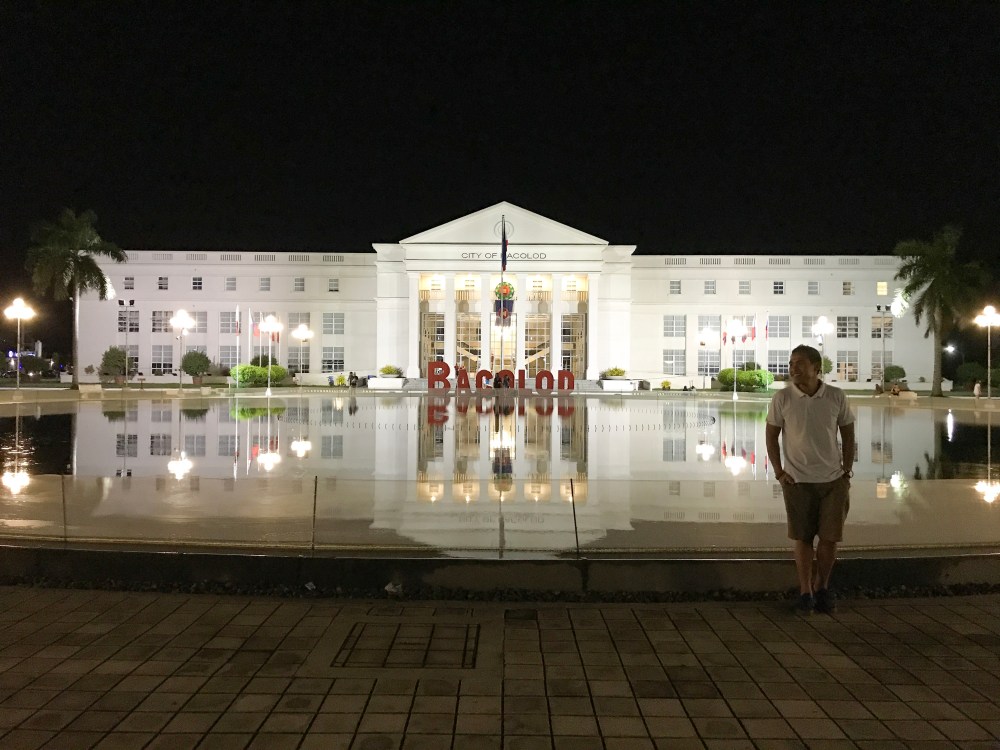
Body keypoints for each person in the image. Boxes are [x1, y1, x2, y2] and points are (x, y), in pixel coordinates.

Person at [766, 344, 855, 615]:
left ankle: (822, 586)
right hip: (797, 481)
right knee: (802, 538)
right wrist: (779, 472)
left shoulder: (835, 397)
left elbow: (848, 434)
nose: (793, 368)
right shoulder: (782, 398)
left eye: (800, 363)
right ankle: (805, 591)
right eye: (791, 363)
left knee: (829, 539)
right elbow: (771, 436)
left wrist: (846, 471)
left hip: (832, 481)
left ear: (817, 368)